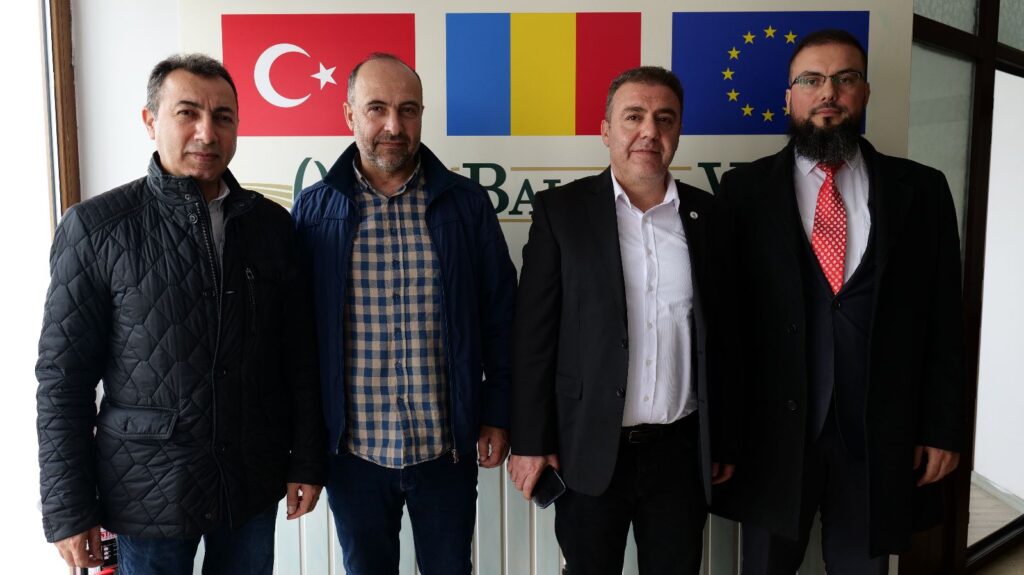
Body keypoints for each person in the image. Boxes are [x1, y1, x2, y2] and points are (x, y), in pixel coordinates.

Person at [36, 54, 326, 573]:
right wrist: (68, 508)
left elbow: (298, 358)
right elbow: (63, 380)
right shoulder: (96, 228)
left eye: (222, 117)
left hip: (248, 484)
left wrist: (306, 459)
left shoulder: (270, 226)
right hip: (145, 494)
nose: (206, 133)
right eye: (187, 113)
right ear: (151, 121)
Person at [711, 29, 966, 574]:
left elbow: (946, 321)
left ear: (865, 92)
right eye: (811, 80)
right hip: (772, 440)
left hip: (880, 436)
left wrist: (943, 428)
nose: (828, 92)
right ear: (789, 98)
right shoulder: (743, 191)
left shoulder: (923, 190)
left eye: (845, 78)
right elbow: (725, 329)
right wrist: (723, 436)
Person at [291, 53, 516, 575]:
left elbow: (502, 317)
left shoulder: (466, 205)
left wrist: (498, 413)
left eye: (408, 109)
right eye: (377, 109)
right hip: (353, 456)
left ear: (421, 115)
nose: (394, 125)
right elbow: (297, 342)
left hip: (445, 450)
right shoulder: (314, 210)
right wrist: (303, 448)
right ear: (349, 114)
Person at [507, 66, 734, 575]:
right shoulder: (561, 212)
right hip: (586, 448)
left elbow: (727, 339)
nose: (649, 131)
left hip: (680, 453)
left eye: (664, 118)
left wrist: (724, 439)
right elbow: (532, 340)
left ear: (678, 131)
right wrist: (531, 442)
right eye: (633, 117)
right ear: (606, 130)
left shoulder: (710, 217)